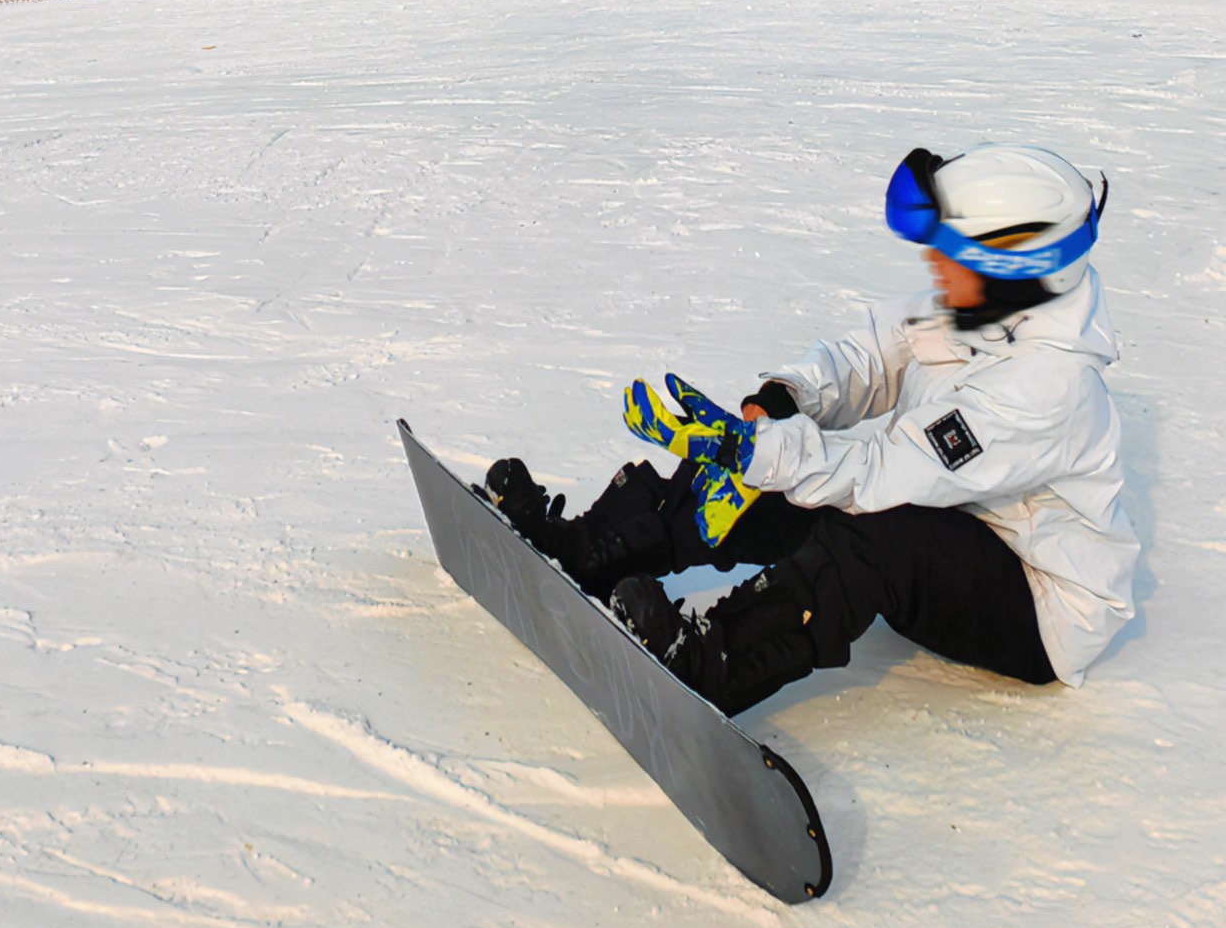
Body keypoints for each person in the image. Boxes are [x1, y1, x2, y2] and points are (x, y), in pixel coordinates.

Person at [484, 142, 1140, 717]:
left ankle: (714, 661)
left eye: (951, 252)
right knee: (772, 461)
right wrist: (779, 402)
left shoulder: (1047, 389)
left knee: (871, 522)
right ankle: (588, 550)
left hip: (1034, 608)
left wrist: (759, 450)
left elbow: (889, 469)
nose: (933, 266)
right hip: (957, 525)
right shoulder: (977, 311)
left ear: (1013, 269)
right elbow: (870, 358)